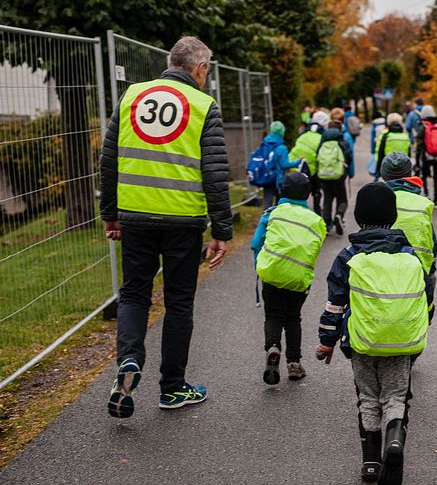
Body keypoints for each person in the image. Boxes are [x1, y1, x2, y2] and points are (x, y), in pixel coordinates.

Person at [100, 36, 232, 417]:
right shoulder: (204, 105)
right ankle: (172, 388)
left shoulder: (132, 96)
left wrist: (110, 212)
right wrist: (221, 230)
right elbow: (215, 174)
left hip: (135, 215)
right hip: (182, 220)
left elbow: (110, 161)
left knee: (134, 294)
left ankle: (128, 361)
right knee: (178, 302)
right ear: (200, 68)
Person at [315, 183, 434, 485]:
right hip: (401, 341)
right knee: (395, 396)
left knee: (368, 397)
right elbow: (425, 294)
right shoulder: (408, 254)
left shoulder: (348, 256)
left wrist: (327, 340)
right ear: (392, 217)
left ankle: (371, 461)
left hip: (362, 343)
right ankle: (395, 440)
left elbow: (335, 303)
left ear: (359, 216)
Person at [251, 173, 326, 384]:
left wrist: (261, 264)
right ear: (308, 194)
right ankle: (294, 363)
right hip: (299, 278)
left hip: (272, 274)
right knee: (293, 318)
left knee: (274, 316)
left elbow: (256, 242)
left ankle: (273, 347)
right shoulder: (316, 221)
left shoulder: (272, 213)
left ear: (282, 190)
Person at [380, 152, 437, 285]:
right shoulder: (423, 203)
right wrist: (430, 271)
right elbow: (432, 242)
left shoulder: (378, 200)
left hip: (383, 269)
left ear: (383, 175)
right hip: (418, 269)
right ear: (409, 174)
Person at [254, 121, 302, 210]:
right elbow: (284, 165)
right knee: (279, 204)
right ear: (282, 132)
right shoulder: (281, 148)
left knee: (267, 203)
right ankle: (276, 221)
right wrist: (298, 162)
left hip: (266, 177)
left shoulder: (264, 145)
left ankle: (266, 221)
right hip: (278, 180)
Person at [316, 116, 353, 235]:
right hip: (339, 176)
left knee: (327, 199)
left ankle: (327, 224)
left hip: (324, 176)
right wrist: (350, 174)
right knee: (342, 199)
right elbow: (349, 159)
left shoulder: (323, 143)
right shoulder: (343, 143)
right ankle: (339, 215)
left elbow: (317, 158)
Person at [290, 111, 326, 215]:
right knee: (316, 193)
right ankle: (317, 212)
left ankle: (299, 215)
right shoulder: (322, 137)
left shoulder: (302, 134)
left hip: (300, 168)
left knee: (301, 194)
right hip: (314, 171)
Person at [415, 105, 437, 209]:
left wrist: (417, 161)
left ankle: (426, 194)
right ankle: (436, 200)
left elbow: (419, 145)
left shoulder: (423, 126)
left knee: (424, 175)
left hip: (427, 157)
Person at [374, 113, 410, 178]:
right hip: (403, 167)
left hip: (389, 167)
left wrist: (378, 169)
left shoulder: (385, 136)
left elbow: (380, 153)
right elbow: (409, 154)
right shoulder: (405, 136)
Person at [331, 107, 356, 178]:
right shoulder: (346, 136)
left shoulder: (325, 134)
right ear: (343, 119)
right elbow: (350, 155)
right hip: (341, 169)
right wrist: (351, 172)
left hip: (325, 170)